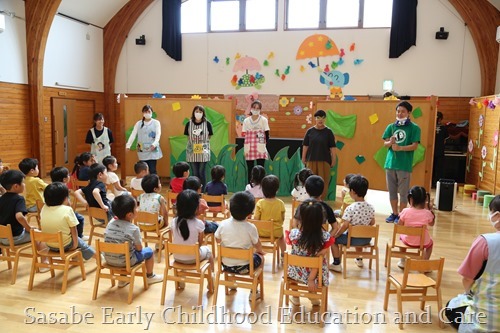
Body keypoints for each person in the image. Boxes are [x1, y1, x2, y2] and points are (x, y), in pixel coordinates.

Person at [445, 195, 500, 332]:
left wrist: (469, 293)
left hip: (484, 324)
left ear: (497, 215)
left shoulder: (485, 242)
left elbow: (467, 280)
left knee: (451, 307)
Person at [104, 194, 163, 287]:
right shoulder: (133, 229)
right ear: (130, 215)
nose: (138, 209)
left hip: (108, 259)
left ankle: (122, 280)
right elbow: (139, 249)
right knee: (149, 251)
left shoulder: (110, 223)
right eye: (136, 207)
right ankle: (150, 276)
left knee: (123, 250)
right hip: (126, 262)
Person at [286, 199, 334, 306]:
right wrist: (311, 279)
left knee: (294, 266)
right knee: (317, 262)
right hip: (317, 275)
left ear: (300, 220)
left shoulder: (294, 234)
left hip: (295, 272)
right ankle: (312, 295)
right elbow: (320, 257)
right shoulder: (325, 237)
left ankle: (295, 297)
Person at [382, 101, 421, 223]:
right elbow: (385, 144)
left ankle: (402, 216)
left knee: (403, 193)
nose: (400, 113)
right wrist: (391, 143)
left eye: (403, 111)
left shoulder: (414, 128)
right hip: (390, 164)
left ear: (409, 113)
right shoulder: (391, 126)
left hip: (404, 165)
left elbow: (414, 146)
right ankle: (394, 213)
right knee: (392, 191)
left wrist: (400, 148)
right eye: (398, 111)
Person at [215, 191, 265, 281]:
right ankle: (255, 290)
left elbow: (217, 238)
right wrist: (260, 251)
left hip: (226, 265)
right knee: (261, 258)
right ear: (250, 214)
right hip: (245, 267)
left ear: (230, 209)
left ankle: (231, 284)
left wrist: (223, 246)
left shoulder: (223, 224)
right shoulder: (251, 227)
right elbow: (257, 244)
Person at [329, 175, 375, 272]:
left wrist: (336, 234)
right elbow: (372, 222)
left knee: (332, 239)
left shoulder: (351, 208)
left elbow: (345, 226)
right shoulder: (371, 207)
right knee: (360, 232)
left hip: (353, 240)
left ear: (353, 192)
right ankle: (359, 259)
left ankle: (336, 263)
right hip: (366, 239)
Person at [40, 182, 96, 261]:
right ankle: (98, 257)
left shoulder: (44, 208)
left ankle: (75, 258)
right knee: (82, 244)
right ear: (65, 198)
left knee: (67, 234)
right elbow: (74, 230)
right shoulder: (67, 210)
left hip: (49, 244)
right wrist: (75, 245)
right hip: (65, 245)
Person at [171, 189, 214, 277]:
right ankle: (211, 276)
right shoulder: (199, 224)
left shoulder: (173, 222)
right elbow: (200, 244)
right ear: (196, 208)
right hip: (194, 258)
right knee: (209, 251)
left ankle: (180, 278)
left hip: (177, 257)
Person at [301, 110, 337, 199]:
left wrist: (333, 159)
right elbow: (305, 146)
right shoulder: (310, 131)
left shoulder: (329, 132)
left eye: (322, 118)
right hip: (311, 160)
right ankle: (309, 198)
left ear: (325, 119)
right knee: (310, 180)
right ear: (315, 119)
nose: (320, 120)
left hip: (324, 161)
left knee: (323, 181)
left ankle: (321, 200)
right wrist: (303, 157)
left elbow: (332, 147)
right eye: (318, 118)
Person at [397, 186, 435, 269]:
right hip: (423, 242)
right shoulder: (427, 213)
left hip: (408, 240)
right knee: (431, 243)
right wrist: (430, 210)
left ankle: (402, 261)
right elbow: (432, 224)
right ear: (425, 200)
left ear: (411, 199)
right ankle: (424, 263)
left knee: (401, 237)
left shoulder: (405, 211)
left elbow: (399, 226)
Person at [253, 175, 286, 262]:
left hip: (261, 231)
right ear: (277, 189)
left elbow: (256, 219)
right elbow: (283, 218)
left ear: (263, 189)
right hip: (276, 232)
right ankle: (283, 255)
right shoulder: (280, 203)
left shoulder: (260, 203)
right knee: (282, 237)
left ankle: (255, 252)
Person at [49, 166, 87, 240]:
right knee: (80, 218)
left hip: (53, 210)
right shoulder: (63, 188)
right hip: (63, 211)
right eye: (68, 175)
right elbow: (67, 203)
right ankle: (79, 236)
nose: (69, 176)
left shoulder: (51, 187)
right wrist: (71, 211)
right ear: (64, 179)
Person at [126, 104, 162, 175]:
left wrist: (154, 144)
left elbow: (158, 134)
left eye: (149, 111)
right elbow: (133, 134)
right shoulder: (138, 123)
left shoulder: (156, 122)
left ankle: (154, 184)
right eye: (146, 112)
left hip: (152, 147)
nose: (147, 113)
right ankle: (144, 184)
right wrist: (128, 145)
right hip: (141, 147)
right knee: (143, 169)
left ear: (152, 112)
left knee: (152, 169)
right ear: (143, 113)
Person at [184, 105, 213, 189]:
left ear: (203, 113)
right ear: (193, 113)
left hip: (203, 151)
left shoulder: (207, 123)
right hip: (192, 151)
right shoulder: (189, 123)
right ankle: (195, 189)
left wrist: (202, 141)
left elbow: (210, 135)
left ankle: (202, 190)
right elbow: (187, 136)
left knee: (201, 172)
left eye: (200, 112)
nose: (198, 113)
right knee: (195, 172)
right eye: (196, 111)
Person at [0, 170, 32, 246]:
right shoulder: (19, 199)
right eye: (23, 182)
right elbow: (19, 217)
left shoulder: (1, 198)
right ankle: (42, 257)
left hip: (2, 237)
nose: (24, 185)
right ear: (16, 186)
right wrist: (29, 229)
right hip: (15, 237)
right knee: (38, 236)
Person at [242, 100, 270, 184]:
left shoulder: (263, 120)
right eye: (254, 108)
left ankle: (261, 186)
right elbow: (244, 134)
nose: (255, 110)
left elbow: (267, 133)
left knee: (260, 168)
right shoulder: (246, 120)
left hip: (260, 146)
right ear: (251, 109)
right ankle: (250, 186)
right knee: (250, 168)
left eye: (258, 108)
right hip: (249, 146)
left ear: (260, 110)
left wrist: (264, 145)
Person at [433, 111, 449, 187]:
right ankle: (438, 184)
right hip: (440, 151)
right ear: (440, 119)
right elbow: (445, 140)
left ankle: (431, 183)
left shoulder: (430, 126)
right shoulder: (444, 128)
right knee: (439, 169)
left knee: (432, 168)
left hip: (431, 152)